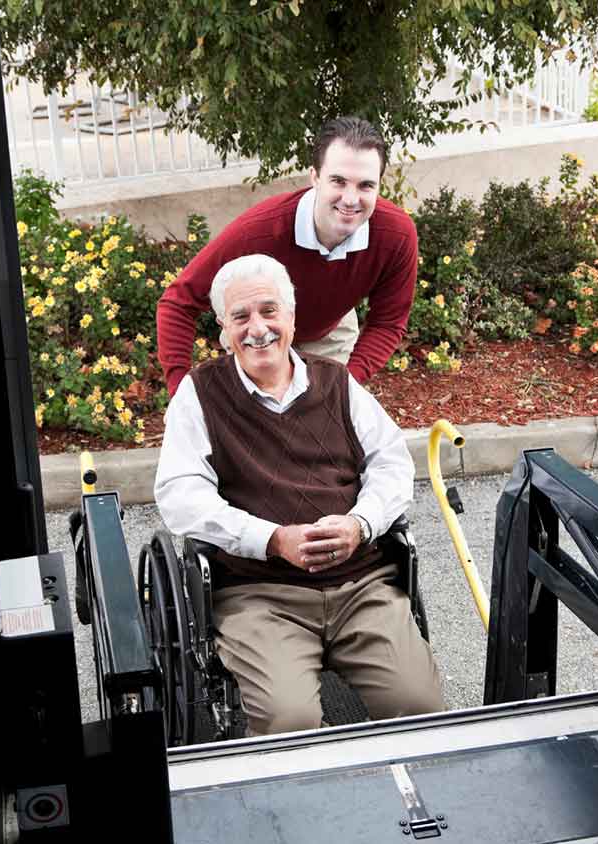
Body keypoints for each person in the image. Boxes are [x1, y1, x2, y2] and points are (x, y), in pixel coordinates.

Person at [154, 253, 444, 736]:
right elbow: (181, 496)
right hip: (260, 594)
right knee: (291, 724)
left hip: (361, 586)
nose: (257, 328)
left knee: (421, 708)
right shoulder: (199, 395)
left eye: (269, 311)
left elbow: (392, 462)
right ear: (223, 329)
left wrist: (361, 524)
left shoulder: (336, 383)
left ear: (291, 316)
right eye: (240, 317)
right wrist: (270, 538)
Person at [156, 116, 419, 398]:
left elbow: (387, 322)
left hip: (329, 334)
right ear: (315, 177)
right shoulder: (259, 233)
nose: (351, 199)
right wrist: (182, 395)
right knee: (259, 426)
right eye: (338, 181)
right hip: (258, 331)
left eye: (365, 185)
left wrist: (346, 385)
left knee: (324, 423)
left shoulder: (396, 235)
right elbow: (178, 302)